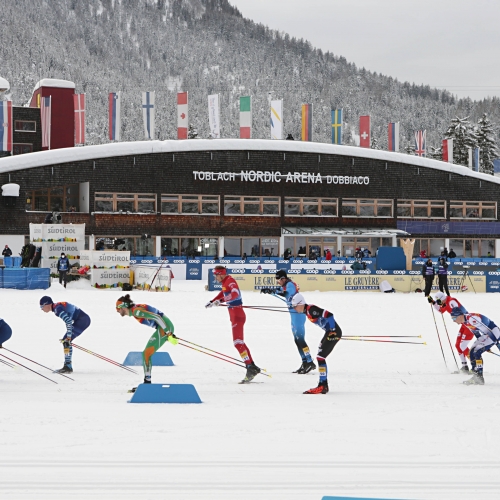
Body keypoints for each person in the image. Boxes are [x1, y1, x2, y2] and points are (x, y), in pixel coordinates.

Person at [206, 266, 261, 383]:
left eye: (216, 275)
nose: (215, 277)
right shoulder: (226, 281)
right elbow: (224, 292)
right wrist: (213, 300)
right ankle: (251, 366)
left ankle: (251, 366)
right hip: (234, 314)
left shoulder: (230, 281)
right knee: (238, 343)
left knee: (238, 343)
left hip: (237, 315)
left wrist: (220, 301)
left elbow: (235, 294)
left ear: (221, 274)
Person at [116, 294, 177, 390]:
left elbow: (157, 317)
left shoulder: (137, 312)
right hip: (163, 328)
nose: (117, 311)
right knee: (146, 354)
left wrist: (168, 333)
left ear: (123, 307)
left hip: (164, 327)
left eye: (118, 309)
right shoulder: (135, 311)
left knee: (146, 354)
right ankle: (147, 382)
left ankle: (147, 383)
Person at [261, 270, 315, 374]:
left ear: (283, 279)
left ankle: (309, 362)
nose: (278, 282)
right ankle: (305, 362)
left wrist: (273, 291)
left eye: (278, 279)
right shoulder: (286, 285)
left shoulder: (290, 284)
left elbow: (285, 293)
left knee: (300, 340)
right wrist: (269, 290)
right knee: (297, 340)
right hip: (294, 315)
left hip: (298, 316)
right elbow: (280, 290)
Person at [291, 293, 342, 395]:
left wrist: (332, 330)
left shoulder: (311, 309)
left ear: (301, 304)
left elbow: (329, 315)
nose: (295, 309)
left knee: (320, 357)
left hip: (333, 332)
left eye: (295, 306)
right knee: (320, 356)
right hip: (329, 332)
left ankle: (322, 385)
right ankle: (323, 385)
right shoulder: (307, 311)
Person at [40, 296, 91, 373]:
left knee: (66, 341)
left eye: (42, 306)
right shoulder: (57, 307)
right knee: (66, 341)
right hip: (82, 319)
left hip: (82, 320)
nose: (41, 309)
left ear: (47, 304)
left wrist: (69, 337)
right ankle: (67, 365)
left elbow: (68, 322)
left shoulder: (58, 310)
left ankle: (68, 366)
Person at [450, 308, 500, 385]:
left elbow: (489, 329)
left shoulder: (472, 319)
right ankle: (476, 375)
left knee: (477, 351)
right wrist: (484, 345)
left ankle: (479, 377)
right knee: (472, 351)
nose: (453, 320)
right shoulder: (466, 322)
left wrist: (496, 344)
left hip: (494, 333)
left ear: (459, 316)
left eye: (454, 318)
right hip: (487, 335)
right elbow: (476, 333)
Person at [428, 292, 473, 372]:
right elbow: (441, 310)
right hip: (463, 325)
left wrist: (443, 305)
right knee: (457, 345)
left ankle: (474, 365)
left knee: (463, 345)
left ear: (442, 299)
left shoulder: (451, 301)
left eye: (438, 300)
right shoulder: (445, 303)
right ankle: (464, 366)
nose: (439, 303)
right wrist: (434, 303)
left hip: (468, 324)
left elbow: (457, 311)